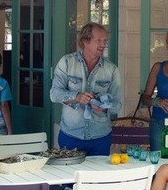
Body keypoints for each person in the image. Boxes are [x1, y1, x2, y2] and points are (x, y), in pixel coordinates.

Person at [50, 22, 122, 155]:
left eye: (105, 41)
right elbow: (54, 94)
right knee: (70, 170)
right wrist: (77, 96)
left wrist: (103, 107)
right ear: (85, 41)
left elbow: (117, 105)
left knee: (99, 170)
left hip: (100, 137)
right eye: (98, 40)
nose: (103, 45)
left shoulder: (112, 70)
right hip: (71, 136)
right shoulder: (67, 62)